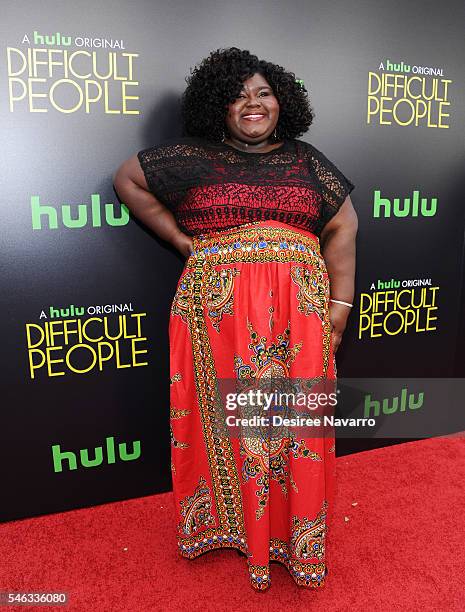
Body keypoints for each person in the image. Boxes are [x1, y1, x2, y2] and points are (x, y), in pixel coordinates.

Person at [113, 47, 357, 592]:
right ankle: (228, 527)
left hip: (299, 314)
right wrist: (183, 242)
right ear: (217, 108)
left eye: (263, 92)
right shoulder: (191, 158)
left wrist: (339, 309)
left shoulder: (306, 160)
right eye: (238, 95)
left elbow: (344, 227)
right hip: (215, 313)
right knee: (220, 423)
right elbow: (128, 179)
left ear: (282, 102)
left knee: (295, 426)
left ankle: (295, 539)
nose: (253, 103)